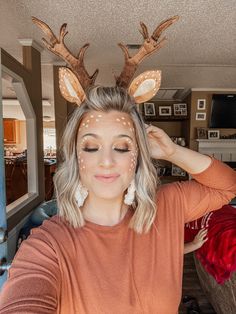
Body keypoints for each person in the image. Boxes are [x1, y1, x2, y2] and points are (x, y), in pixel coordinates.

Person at [0, 85, 236, 314]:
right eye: (91, 147)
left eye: (122, 147)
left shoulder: (167, 205)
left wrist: (171, 152)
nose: (107, 161)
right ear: (75, 157)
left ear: (137, 157)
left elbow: (228, 186)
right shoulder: (47, 244)